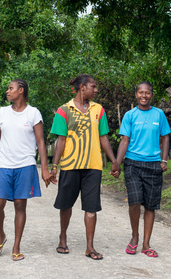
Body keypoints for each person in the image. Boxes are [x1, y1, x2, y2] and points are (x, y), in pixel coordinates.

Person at [0, 79, 53, 261]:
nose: (7, 91)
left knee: (20, 205)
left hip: (25, 165)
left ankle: (16, 246)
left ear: (21, 90)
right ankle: (1, 235)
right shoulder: (2, 113)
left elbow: (41, 141)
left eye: (11, 88)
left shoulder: (33, 113)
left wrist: (45, 169)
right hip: (3, 164)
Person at [49, 74, 120, 260]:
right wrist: (54, 166)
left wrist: (114, 160)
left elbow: (103, 136)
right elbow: (61, 140)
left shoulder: (99, 110)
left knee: (91, 206)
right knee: (66, 204)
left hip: (93, 166)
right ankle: (63, 237)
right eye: (93, 86)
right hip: (70, 165)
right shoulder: (63, 110)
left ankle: (90, 246)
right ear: (82, 87)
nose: (96, 90)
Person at [115, 81, 170, 258]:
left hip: (154, 164)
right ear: (136, 94)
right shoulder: (130, 115)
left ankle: (146, 244)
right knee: (134, 201)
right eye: (141, 93)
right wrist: (117, 163)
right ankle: (135, 236)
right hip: (132, 163)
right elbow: (124, 140)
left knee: (150, 205)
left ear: (151, 95)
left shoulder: (159, 114)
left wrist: (164, 159)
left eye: (147, 93)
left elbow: (166, 137)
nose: (144, 96)